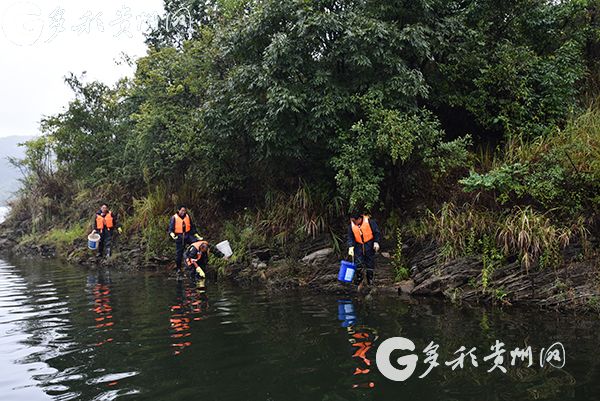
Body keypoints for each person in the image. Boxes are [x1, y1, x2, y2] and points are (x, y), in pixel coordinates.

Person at [347, 211, 381, 285]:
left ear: (359, 219)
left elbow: (377, 232)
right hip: (358, 246)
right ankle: (359, 279)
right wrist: (350, 246)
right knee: (358, 262)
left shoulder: (370, 222)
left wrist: (376, 242)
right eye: (352, 220)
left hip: (369, 244)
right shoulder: (351, 226)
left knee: (370, 262)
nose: (353, 222)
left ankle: (370, 280)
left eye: (354, 220)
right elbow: (350, 237)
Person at [168, 205, 203, 272]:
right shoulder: (174, 218)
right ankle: (178, 268)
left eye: (184, 210)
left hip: (188, 235)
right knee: (179, 253)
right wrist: (172, 234)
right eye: (182, 210)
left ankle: (196, 262)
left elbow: (192, 226)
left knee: (196, 245)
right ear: (179, 210)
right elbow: (171, 229)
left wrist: (196, 234)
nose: (183, 212)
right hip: (179, 236)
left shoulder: (187, 216)